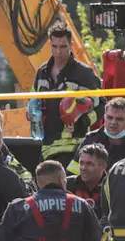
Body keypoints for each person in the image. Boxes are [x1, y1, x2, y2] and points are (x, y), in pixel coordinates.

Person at [27, 23, 104, 167]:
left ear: (71, 45)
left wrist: (83, 122)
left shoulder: (84, 73)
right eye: (54, 46)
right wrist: (30, 113)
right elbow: (33, 101)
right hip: (47, 147)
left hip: (74, 148)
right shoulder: (42, 72)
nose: (58, 52)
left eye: (63, 47)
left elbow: (102, 105)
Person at [67, 97, 125, 176]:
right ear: (104, 117)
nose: (113, 122)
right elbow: (72, 174)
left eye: (119, 119)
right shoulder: (91, 140)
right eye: (109, 117)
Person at [67, 143, 108, 219]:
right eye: (81, 163)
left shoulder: (113, 187)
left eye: (89, 164)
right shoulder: (67, 185)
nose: (83, 168)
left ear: (103, 166)